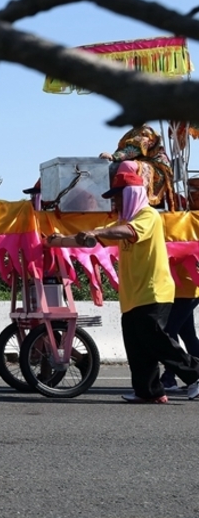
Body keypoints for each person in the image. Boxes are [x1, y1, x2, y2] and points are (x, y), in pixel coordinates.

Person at [46, 161, 199, 404]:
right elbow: (92, 238)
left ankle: (195, 374)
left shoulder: (148, 216)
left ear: (131, 194)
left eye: (118, 196)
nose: (115, 202)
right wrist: (60, 240)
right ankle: (149, 391)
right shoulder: (121, 223)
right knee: (136, 345)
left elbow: (127, 232)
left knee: (156, 340)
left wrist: (96, 233)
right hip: (132, 296)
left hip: (153, 291)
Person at [100, 124, 174, 209]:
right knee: (112, 167)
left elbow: (136, 149)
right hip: (138, 161)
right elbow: (121, 150)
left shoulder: (146, 131)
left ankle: (131, 199)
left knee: (126, 165)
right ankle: (116, 198)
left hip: (154, 164)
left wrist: (114, 156)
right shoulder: (132, 132)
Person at [160, 266, 199, 393]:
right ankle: (194, 376)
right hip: (181, 291)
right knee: (187, 335)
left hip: (185, 291)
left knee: (169, 333)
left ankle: (169, 377)